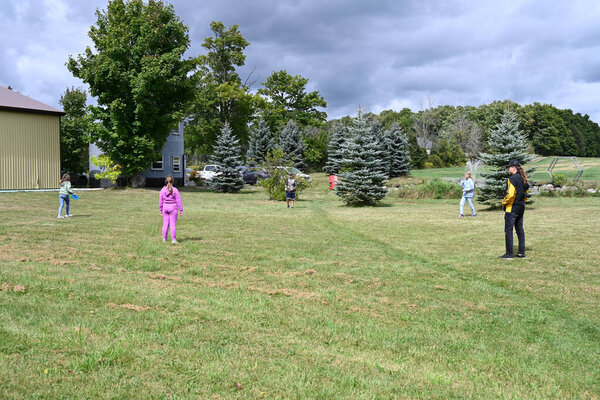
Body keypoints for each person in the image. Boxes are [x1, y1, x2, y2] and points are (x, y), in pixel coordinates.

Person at [499, 160, 530, 259]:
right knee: (519, 229)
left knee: (509, 230)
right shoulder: (523, 178)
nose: (508, 169)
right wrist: (521, 200)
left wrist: (503, 202)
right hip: (521, 207)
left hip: (512, 208)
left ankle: (509, 254)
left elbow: (510, 195)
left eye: (509, 167)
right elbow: (527, 194)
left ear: (514, 168)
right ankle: (521, 253)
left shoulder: (512, 178)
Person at [159, 175, 183, 243]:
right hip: (173, 208)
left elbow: (160, 201)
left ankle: (164, 239)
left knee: (165, 224)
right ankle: (173, 240)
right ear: (173, 182)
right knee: (173, 225)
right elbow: (178, 200)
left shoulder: (162, 190)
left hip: (165, 208)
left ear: (165, 182)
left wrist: (161, 210)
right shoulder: (175, 190)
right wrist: (181, 210)